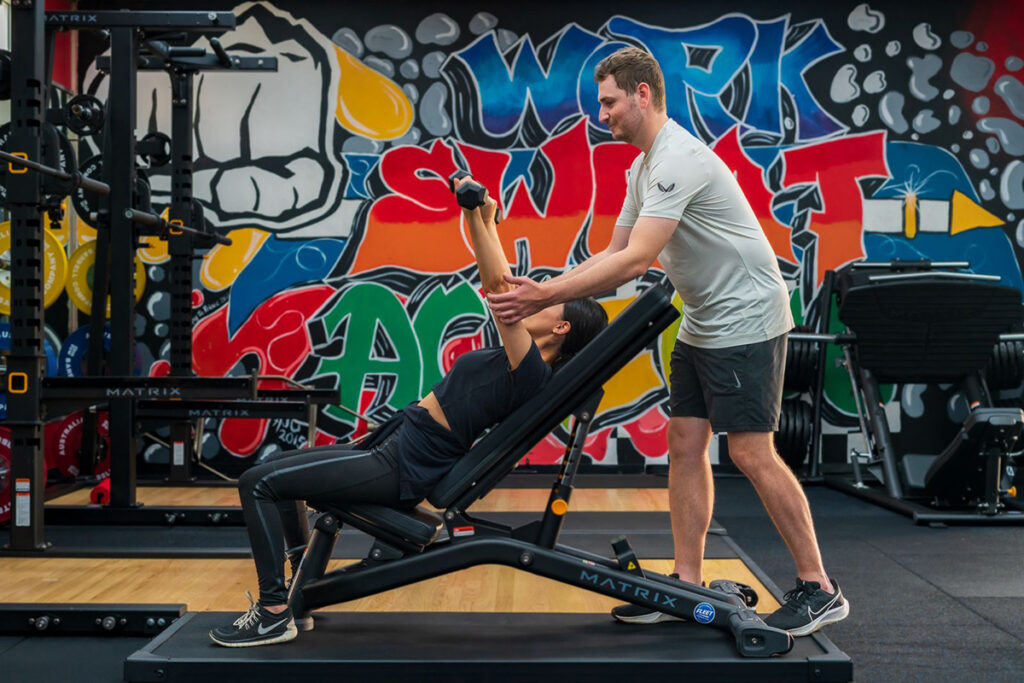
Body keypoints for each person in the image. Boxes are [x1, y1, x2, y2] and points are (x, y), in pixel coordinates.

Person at [487, 47, 848, 636]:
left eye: (609, 102)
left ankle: (819, 588)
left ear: (642, 95)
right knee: (684, 442)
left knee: (750, 452)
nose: (602, 114)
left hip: (748, 316)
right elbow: (612, 251)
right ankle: (686, 582)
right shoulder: (641, 168)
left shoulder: (678, 159)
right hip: (705, 317)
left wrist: (536, 298)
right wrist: (547, 294)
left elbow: (635, 263)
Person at [209, 178, 608, 647]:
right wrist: (477, 215)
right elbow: (495, 285)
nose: (537, 292)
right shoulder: (520, 360)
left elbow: (501, 291)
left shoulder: (533, 374)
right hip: (398, 443)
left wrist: (482, 216)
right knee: (274, 475)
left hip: (405, 462)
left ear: (561, 325)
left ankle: (274, 611)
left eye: (549, 295)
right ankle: (297, 593)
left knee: (256, 482)